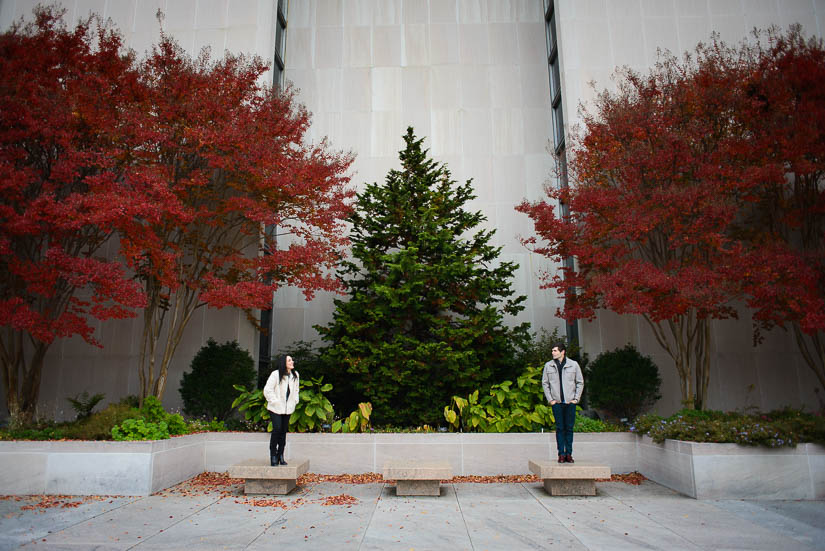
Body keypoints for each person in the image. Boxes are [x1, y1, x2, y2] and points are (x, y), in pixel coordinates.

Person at [541, 342, 584, 463]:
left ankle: (569, 454)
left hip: (570, 403)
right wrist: (551, 400)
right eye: (552, 350)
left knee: (569, 429)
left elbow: (580, 382)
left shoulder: (573, 365)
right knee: (560, 428)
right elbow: (545, 383)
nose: (552, 352)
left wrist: (576, 399)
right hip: (557, 403)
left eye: (555, 350)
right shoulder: (548, 366)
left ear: (562, 351)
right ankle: (561, 454)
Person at [263, 355, 300, 466]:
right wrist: (275, 401)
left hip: (288, 409)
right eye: (289, 360)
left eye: (292, 360)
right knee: (277, 429)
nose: (292, 361)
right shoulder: (275, 374)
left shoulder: (295, 375)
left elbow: (296, 390)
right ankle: (273, 455)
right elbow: (267, 390)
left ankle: (280, 455)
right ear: (284, 363)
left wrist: (295, 401)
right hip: (275, 408)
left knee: (283, 431)